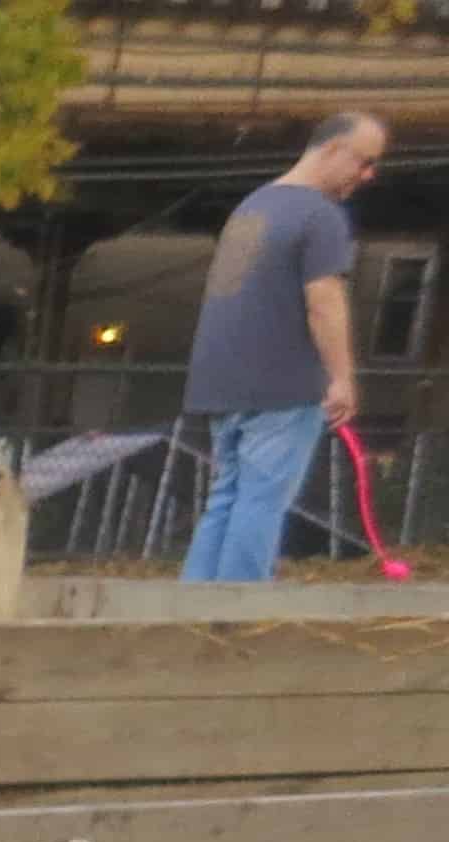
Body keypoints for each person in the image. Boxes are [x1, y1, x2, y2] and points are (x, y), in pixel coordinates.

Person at [179, 112, 388, 584]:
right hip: (284, 386)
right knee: (261, 500)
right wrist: (341, 378)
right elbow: (324, 300)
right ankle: (238, 616)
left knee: (227, 497)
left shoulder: (253, 207)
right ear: (334, 149)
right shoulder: (320, 215)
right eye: (366, 161)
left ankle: (187, 613)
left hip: (222, 381)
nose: (369, 175)